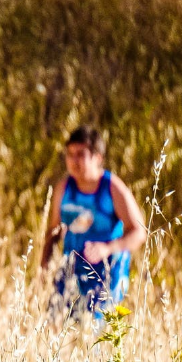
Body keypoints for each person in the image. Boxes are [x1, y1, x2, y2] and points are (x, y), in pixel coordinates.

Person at [40, 126, 147, 319]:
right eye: (70, 154)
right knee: (55, 324)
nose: (74, 161)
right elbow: (54, 231)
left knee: (92, 334)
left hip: (107, 274)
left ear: (98, 157)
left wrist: (107, 248)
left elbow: (139, 233)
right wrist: (44, 266)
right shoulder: (64, 188)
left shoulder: (113, 188)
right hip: (71, 269)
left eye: (81, 154)